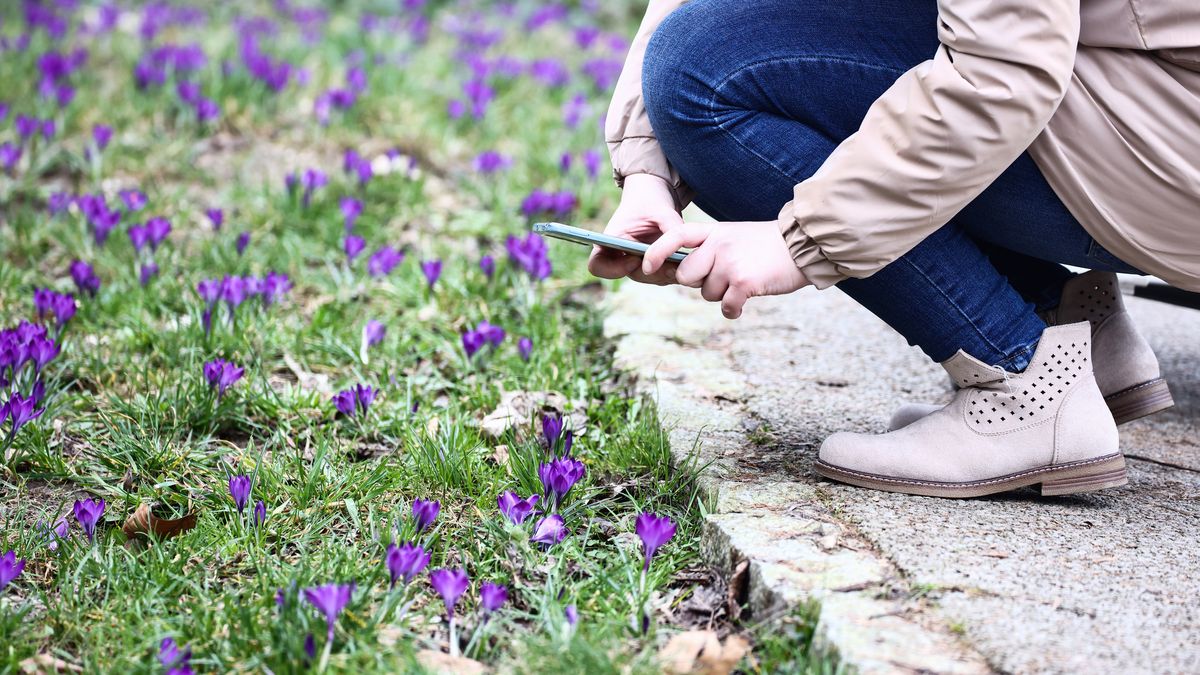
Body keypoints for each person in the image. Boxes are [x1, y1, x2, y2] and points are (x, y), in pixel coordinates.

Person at [591, 0, 1200, 498]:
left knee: (711, 78)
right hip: (1134, 92)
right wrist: (649, 171)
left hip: (1171, 145)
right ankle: (1065, 322)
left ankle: (1023, 383)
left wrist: (801, 238)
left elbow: (1003, 72)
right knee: (704, 56)